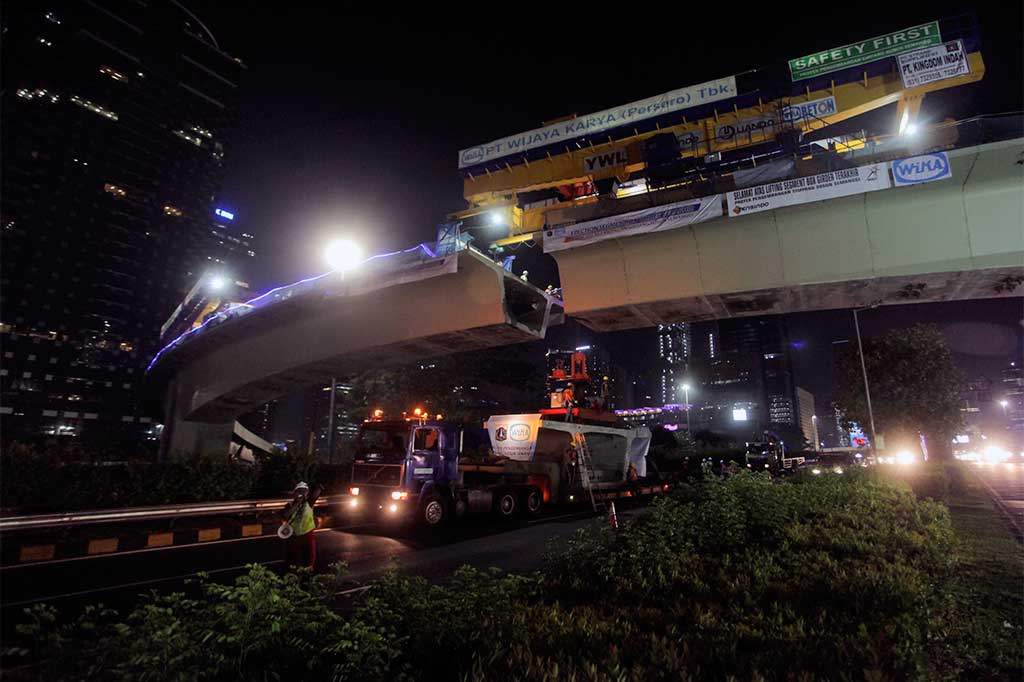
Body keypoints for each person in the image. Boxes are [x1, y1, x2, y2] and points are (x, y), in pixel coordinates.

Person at [281, 481, 321, 572]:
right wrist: (297, 503)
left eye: (304, 491)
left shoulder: (309, 503)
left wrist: (316, 486)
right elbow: (286, 515)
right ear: (295, 493)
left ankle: (308, 573)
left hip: (308, 534)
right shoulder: (289, 505)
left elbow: (318, 491)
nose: (302, 493)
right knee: (292, 560)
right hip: (294, 536)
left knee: (309, 558)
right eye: (299, 491)